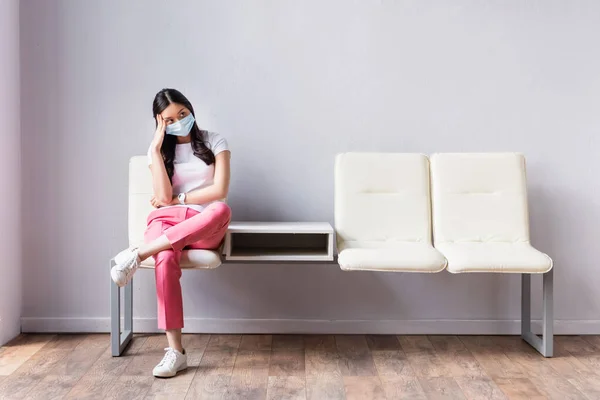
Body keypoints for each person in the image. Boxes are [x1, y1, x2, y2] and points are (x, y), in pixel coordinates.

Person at [110, 88, 232, 378]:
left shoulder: (215, 141)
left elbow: (220, 191)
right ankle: (175, 352)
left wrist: (181, 200)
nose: (179, 120)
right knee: (165, 257)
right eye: (169, 119)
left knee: (221, 210)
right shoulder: (160, 152)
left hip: (203, 226)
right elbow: (163, 199)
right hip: (166, 222)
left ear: (190, 110)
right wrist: (154, 150)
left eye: (183, 114)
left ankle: (137, 254)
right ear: (158, 122)